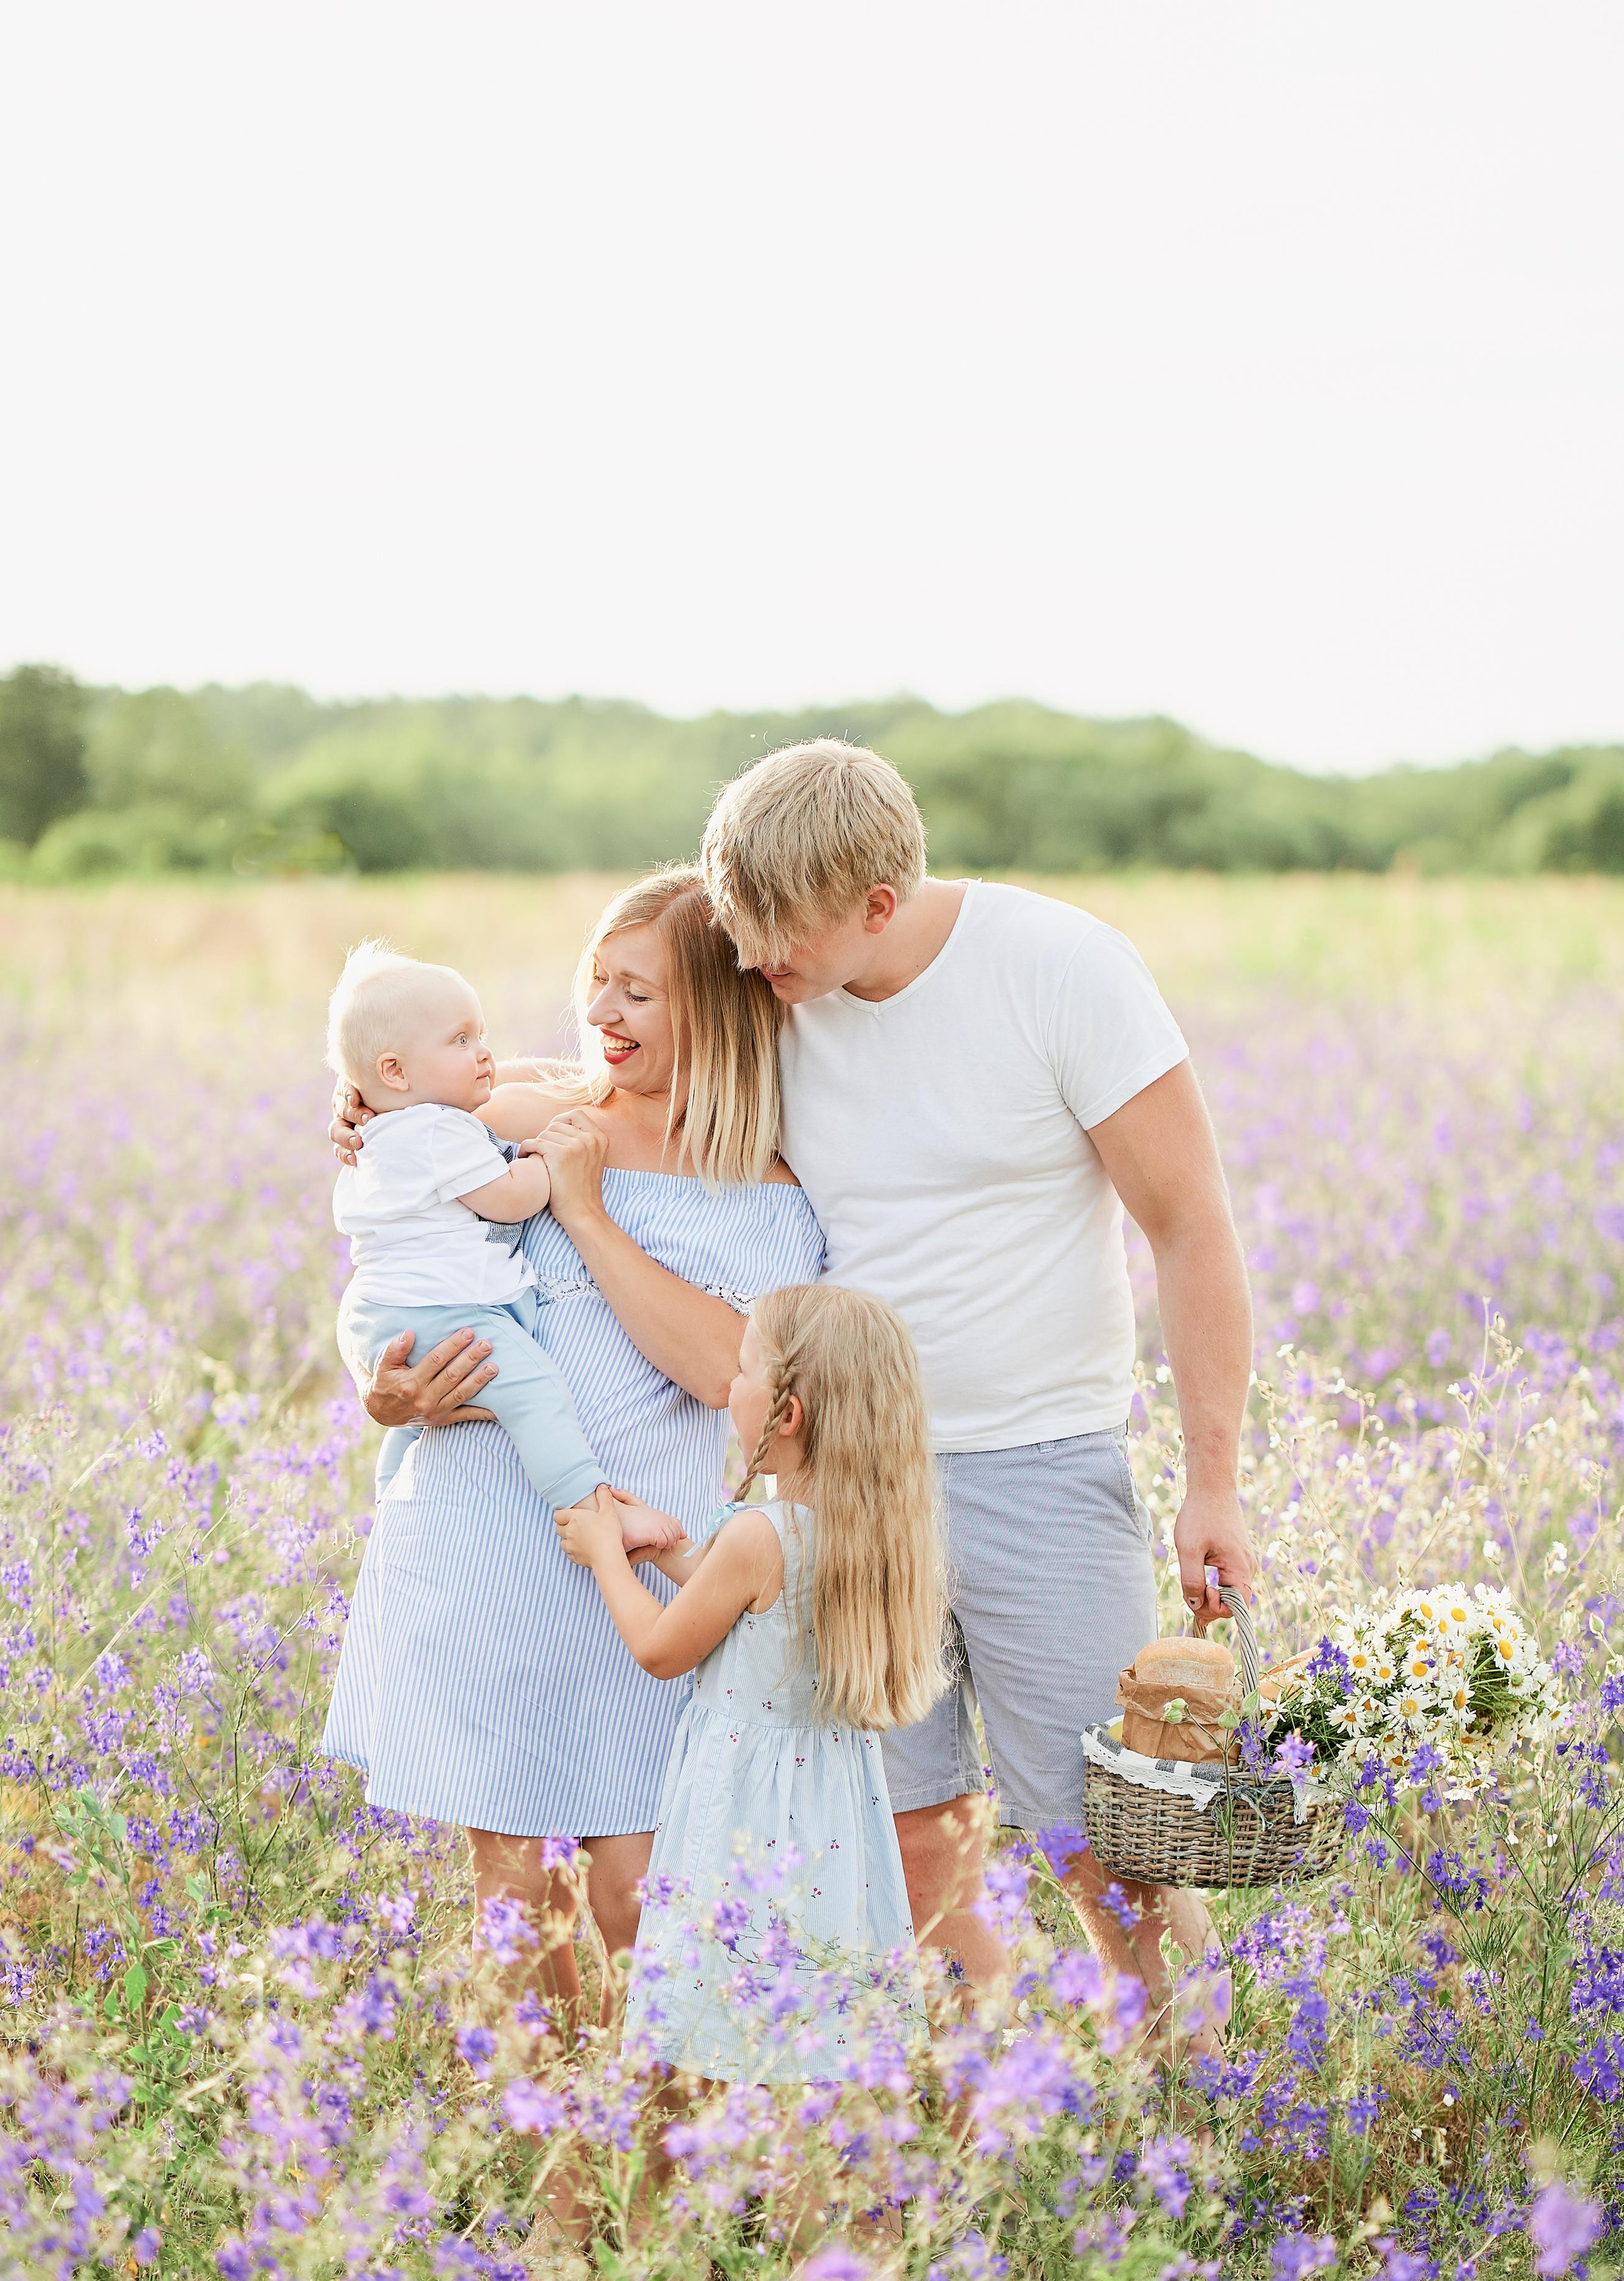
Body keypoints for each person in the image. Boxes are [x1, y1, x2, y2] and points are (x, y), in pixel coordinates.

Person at [699, 740, 1257, 2049]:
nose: (747, 965)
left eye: (774, 938)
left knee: (1110, 1844)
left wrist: (1212, 1481)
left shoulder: (1061, 971)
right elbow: (615, 1064)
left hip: (1041, 1470)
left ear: (876, 905)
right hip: (847, 1489)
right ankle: (972, 2127)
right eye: (736, 932)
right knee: (898, 1839)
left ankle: (1197, 2130)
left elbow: (1188, 1227)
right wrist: (393, 1115)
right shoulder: (771, 984)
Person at [322, 869, 825, 2021]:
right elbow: (395, 1275)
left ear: (717, 1008)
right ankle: (562, 2189)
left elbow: (723, 1366)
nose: (602, 1011)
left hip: (650, 1562)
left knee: (639, 1892)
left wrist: (587, 1209)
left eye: (638, 992)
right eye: (595, 980)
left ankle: (659, 2168)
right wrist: (384, 1391)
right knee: (515, 1894)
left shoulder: (769, 1185)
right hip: (488, 1536)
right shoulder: (508, 1123)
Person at [553, 1282, 940, 2085]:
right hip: (832, 1821)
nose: (729, 1385)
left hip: (750, 1821)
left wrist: (601, 1553)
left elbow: (662, 1648)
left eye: (743, 1369)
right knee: (815, 2050)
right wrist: (670, 1553)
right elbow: (765, 1612)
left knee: (736, 2020)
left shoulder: (762, 1533)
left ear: (786, 1413)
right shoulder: (866, 1530)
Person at [326, 937, 681, 1560]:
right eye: (460, 1040)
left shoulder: (389, 1129)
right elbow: (513, 1199)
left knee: (412, 1434)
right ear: (395, 1073)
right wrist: (553, 1159)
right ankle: (591, 1510)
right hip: (443, 1313)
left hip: (384, 1312)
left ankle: (391, 1521)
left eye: (481, 1034)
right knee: (535, 1391)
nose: (484, 1053)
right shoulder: (438, 1130)